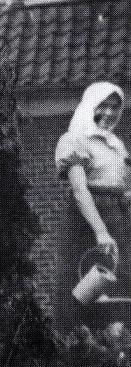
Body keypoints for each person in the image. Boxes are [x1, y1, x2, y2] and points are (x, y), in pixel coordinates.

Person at [56, 82, 130, 330]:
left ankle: (117, 352)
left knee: (119, 283)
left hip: (118, 216)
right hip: (86, 218)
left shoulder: (117, 145)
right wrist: (100, 230)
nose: (109, 113)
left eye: (115, 107)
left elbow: (123, 188)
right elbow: (79, 190)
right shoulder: (74, 139)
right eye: (103, 106)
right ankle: (78, 352)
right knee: (83, 284)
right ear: (90, 107)